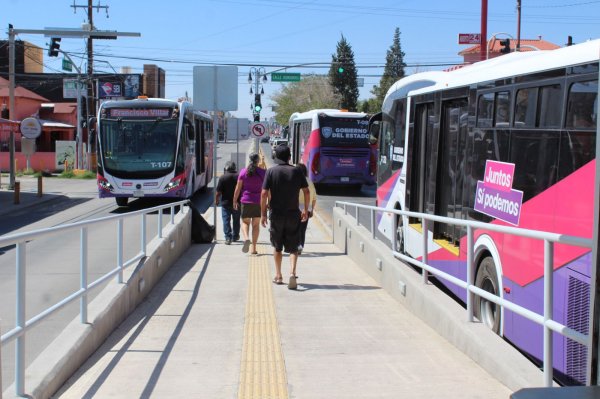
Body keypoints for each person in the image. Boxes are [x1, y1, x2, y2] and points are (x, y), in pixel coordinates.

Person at [261, 144, 309, 289]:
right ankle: (292, 273)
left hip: (276, 214)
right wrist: (305, 210)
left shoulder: (271, 171)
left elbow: (263, 194)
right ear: (289, 157)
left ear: (275, 157)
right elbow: (306, 192)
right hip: (293, 213)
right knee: (294, 246)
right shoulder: (296, 171)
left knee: (277, 246)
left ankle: (278, 275)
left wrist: (263, 213)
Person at [234, 152, 266, 255]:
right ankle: (254, 248)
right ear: (258, 161)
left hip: (245, 201)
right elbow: (266, 189)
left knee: (245, 223)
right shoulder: (262, 172)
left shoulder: (243, 172)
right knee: (255, 225)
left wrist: (234, 200)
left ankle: (246, 238)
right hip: (258, 202)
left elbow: (238, 188)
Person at [215, 161, 240, 245]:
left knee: (226, 220)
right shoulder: (238, 177)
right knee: (236, 220)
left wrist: (216, 200)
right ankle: (235, 236)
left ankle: (228, 238)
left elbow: (218, 192)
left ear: (226, 168)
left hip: (225, 204)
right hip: (236, 203)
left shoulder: (223, 178)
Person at [296, 163, 317, 255]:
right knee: (302, 229)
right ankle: (301, 246)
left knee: (295, 228)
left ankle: (296, 245)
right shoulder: (310, 182)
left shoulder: (295, 180)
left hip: (297, 207)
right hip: (307, 208)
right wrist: (311, 210)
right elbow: (314, 198)